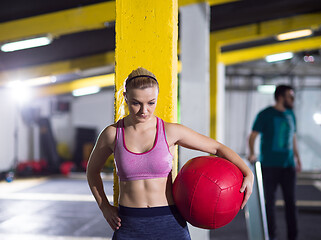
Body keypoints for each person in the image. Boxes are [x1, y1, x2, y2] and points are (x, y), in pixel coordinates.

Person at [87, 67, 254, 240]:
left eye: (151, 103)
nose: (144, 110)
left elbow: (217, 148)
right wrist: (105, 207)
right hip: (128, 224)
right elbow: (92, 172)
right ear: (125, 97)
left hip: (169, 221)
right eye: (136, 103)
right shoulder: (112, 134)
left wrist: (248, 173)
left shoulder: (170, 131)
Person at [248, 85, 302, 240]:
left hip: (288, 166)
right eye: (289, 96)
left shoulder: (291, 114)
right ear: (280, 97)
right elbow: (252, 136)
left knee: (291, 203)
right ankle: (270, 235)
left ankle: (293, 236)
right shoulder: (265, 114)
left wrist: (297, 158)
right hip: (270, 166)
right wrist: (252, 153)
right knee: (269, 203)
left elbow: (293, 138)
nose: (292, 99)